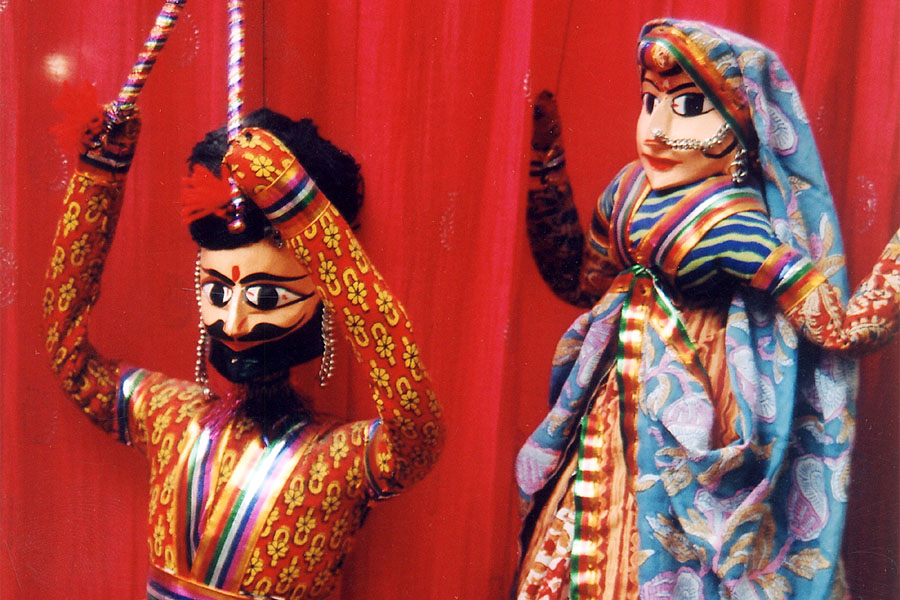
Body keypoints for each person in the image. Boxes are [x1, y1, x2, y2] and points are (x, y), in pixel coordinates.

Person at [515, 18, 900, 600]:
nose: (657, 131)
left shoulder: (738, 227)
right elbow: (581, 281)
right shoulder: (626, 195)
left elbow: (837, 330)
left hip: (703, 412)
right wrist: (547, 169)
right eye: (650, 101)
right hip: (611, 409)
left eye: (690, 106)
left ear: (744, 126)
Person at [44, 106, 443, 599]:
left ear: (324, 292)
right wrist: (98, 179)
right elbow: (70, 360)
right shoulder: (171, 416)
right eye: (216, 293)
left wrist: (307, 217)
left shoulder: (339, 459)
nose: (233, 324)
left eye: (265, 297)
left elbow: (418, 435)